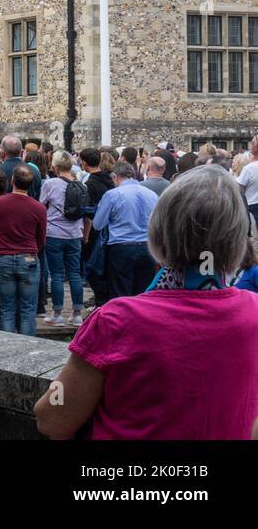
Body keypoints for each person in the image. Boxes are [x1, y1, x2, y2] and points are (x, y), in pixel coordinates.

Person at [35, 165, 258, 439]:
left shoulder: (116, 319)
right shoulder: (253, 312)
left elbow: (53, 418)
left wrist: (60, 386)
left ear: (159, 233)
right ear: (239, 240)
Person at [0, 164, 47, 336]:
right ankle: (27, 348)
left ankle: (9, 349)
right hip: (28, 256)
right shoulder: (38, 207)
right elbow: (41, 238)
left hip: (4, 256)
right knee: (28, 309)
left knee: (7, 308)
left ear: (12, 180)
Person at [93, 161, 159, 299]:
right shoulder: (152, 194)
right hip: (148, 247)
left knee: (120, 292)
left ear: (115, 176)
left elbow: (98, 224)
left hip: (121, 247)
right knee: (143, 293)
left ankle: (123, 320)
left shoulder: (113, 194)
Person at [39, 151, 86, 328]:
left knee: (57, 274)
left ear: (56, 166)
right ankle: (76, 314)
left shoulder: (50, 184)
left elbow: (41, 204)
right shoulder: (81, 185)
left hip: (54, 233)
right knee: (75, 274)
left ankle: (57, 313)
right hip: (75, 234)